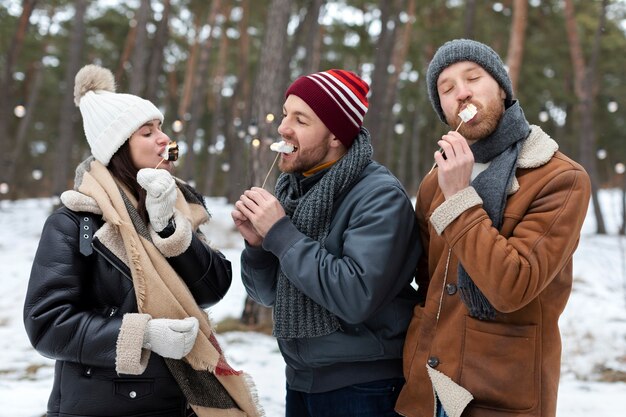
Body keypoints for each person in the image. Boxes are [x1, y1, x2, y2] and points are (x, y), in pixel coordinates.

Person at [23, 65, 261, 417]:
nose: (164, 139)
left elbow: (213, 287)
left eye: (161, 129)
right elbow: (47, 323)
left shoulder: (177, 208)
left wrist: (167, 228)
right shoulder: (73, 223)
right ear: (119, 148)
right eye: (147, 132)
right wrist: (143, 334)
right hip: (102, 405)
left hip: (178, 402)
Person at [395, 39, 592, 417]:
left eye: (474, 78)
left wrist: (460, 199)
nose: (461, 92)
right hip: (426, 388)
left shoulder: (560, 179)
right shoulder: (435, 180)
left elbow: (512, 286)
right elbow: (427, 281)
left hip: (498, 394)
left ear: (501, 87)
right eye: (446, 89)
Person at [231, 69, 422, 417]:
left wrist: (281, 234)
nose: (283, 127)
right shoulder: (295, 189)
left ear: (335, 135)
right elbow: (269, 295)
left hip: (364, 386)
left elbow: (356, 295)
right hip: (301, 379)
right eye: (285, 113)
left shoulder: (379, 196)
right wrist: (258, 247)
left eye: (300, 119)